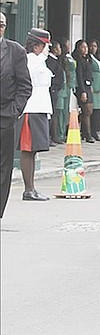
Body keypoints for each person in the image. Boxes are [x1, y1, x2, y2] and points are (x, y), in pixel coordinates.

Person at [0, 13, 32, 218]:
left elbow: (25, 86)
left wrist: (14, 111)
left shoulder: (15, 51)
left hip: (4, 116)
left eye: (1, 24)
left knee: (3, 166)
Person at [16, 28, 54, 202]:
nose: (48, 48)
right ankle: (28, 189)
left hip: (40, 108)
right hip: (31, 108)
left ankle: (31, 188)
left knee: (33, 151)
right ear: (37, 46)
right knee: (27, 149)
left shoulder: (40, 60)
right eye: (46, 45)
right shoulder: (31, 60)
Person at [72, 40, 95, 143]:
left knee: (90, 111)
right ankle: (88, 134)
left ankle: (83, 132)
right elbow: (79, 76)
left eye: (86, 47)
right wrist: (83, 91)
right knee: (86, 111)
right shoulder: (78, 60)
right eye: (83, 47)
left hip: (89, 86)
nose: (85, 49)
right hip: (82, 88)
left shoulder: (88, 59)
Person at [46, 39, 65, 145]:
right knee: (51, 113)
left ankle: (55, 135)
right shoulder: (50, 61)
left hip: (57, 89)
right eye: (58, 48)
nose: (60, 50)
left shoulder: (57, 60)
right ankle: (49, 136)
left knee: (55, 113)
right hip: (52, 90)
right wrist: (54, 87)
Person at [87, 39, 100, 141]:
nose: (93, 48)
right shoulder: (89, 58)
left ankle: (95, 131)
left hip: (98, 86)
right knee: (91, 110)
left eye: (95, 46)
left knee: (97, 110)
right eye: (92, 46)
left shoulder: (97, 58)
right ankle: (90, 132)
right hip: (92, 85)